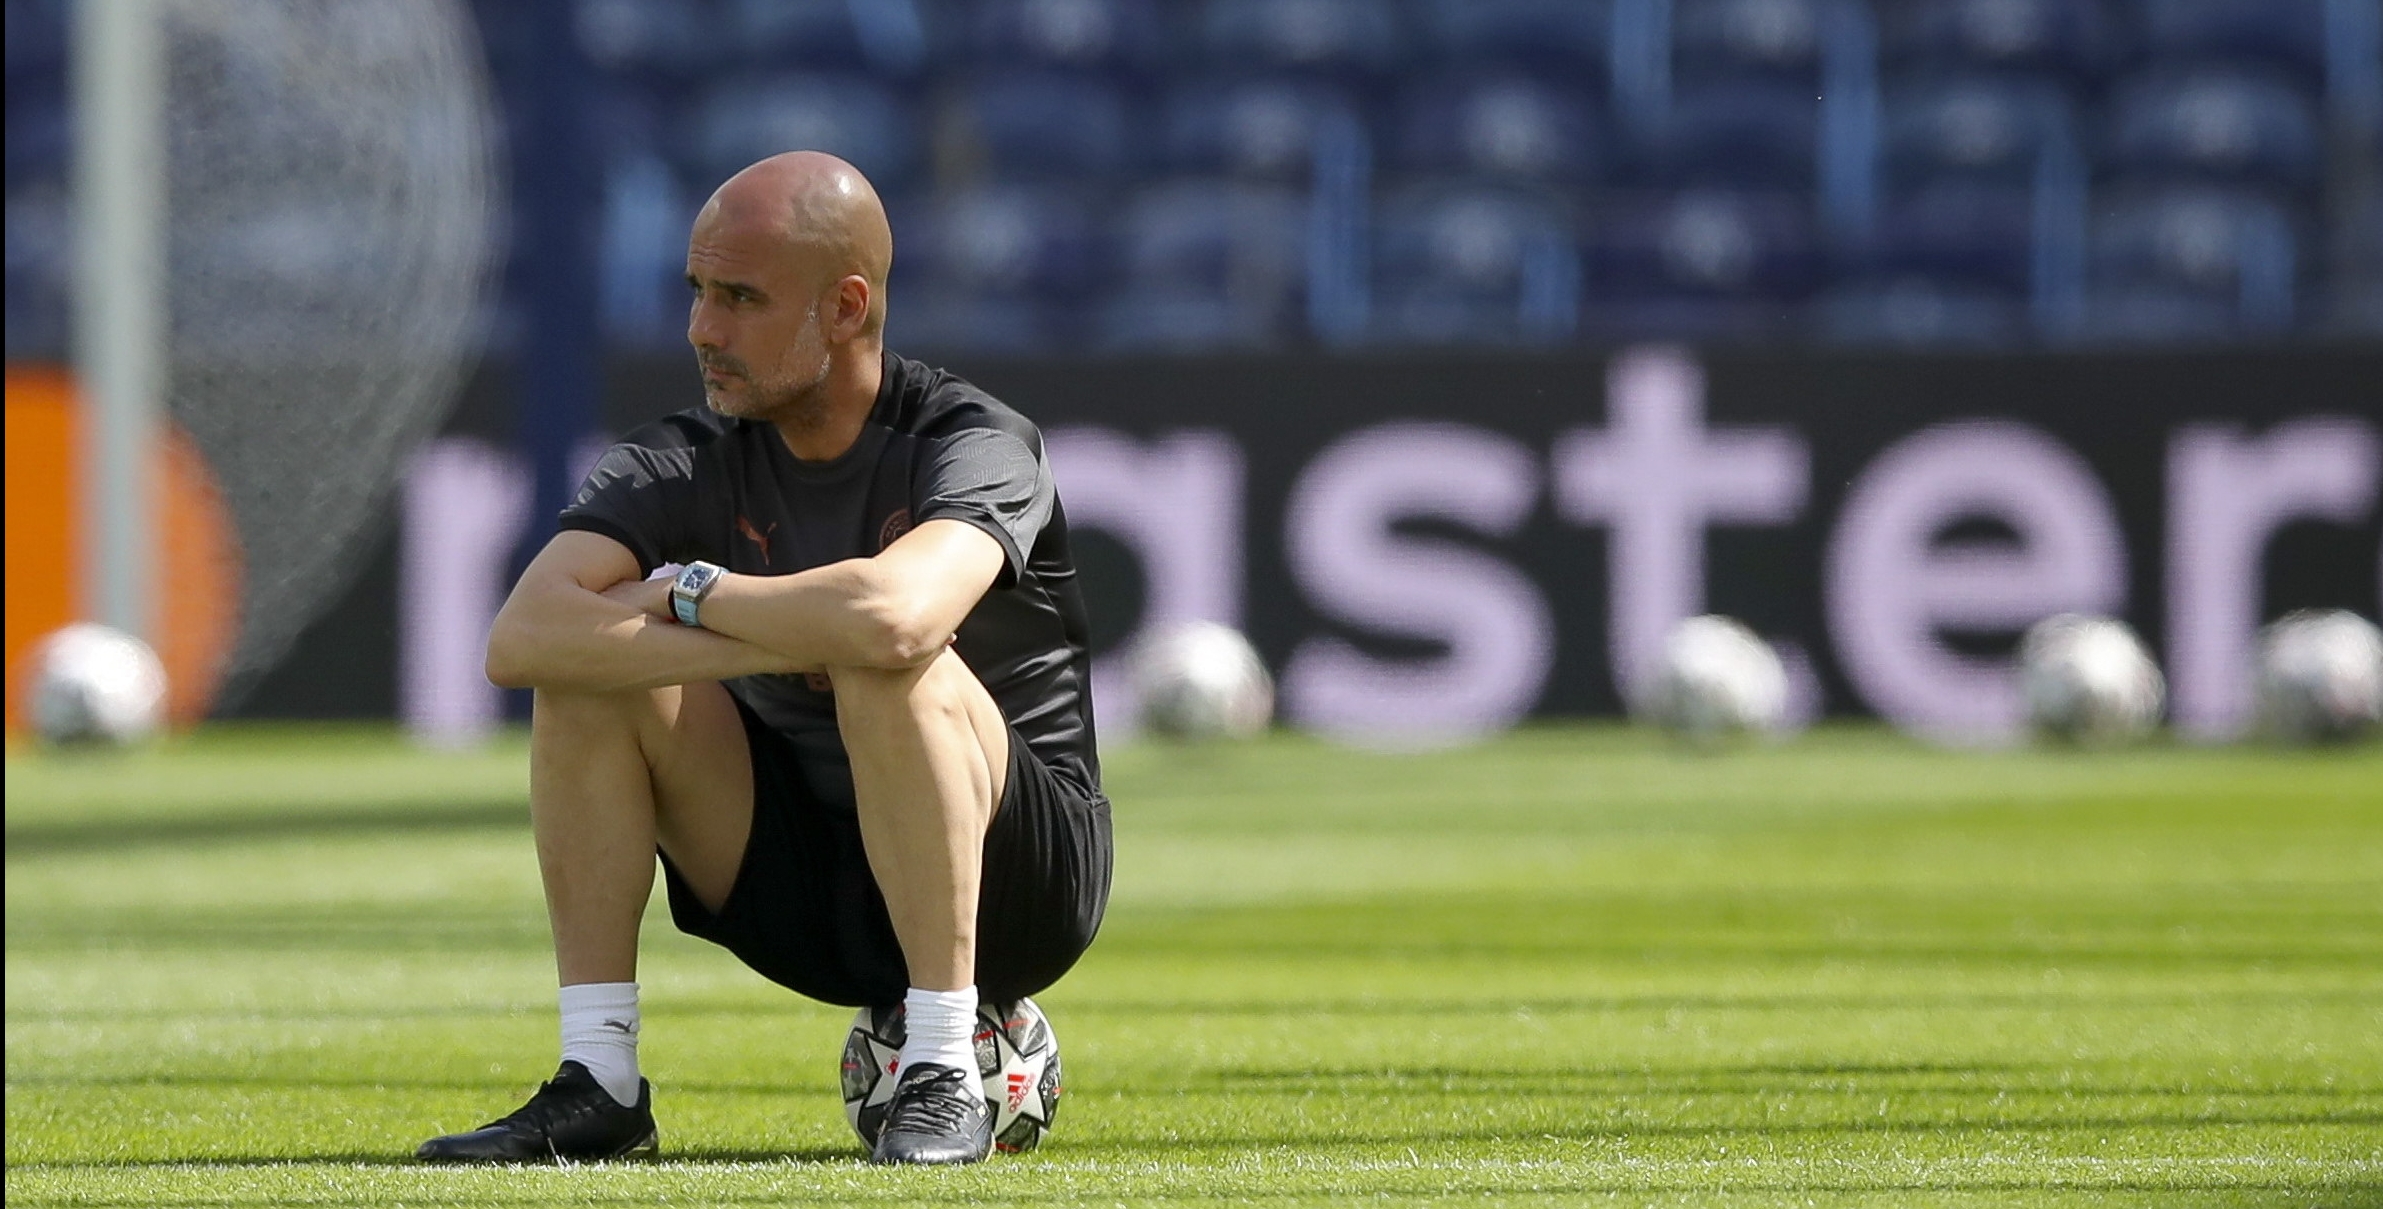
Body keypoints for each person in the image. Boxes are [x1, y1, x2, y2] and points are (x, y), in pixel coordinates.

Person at [414, 151, 1111, 1167]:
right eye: (697, 291)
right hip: (809, 890)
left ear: (846, 307)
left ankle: (942, 1066)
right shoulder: (684, 453)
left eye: (740, 298)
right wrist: (787, 626)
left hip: (1019, 890)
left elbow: (897, 619)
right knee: (590, 674)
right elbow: (522, 638)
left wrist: (690, 593)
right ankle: (599, 1081)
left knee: (884, 658)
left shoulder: (972, 440)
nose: (702, 328)